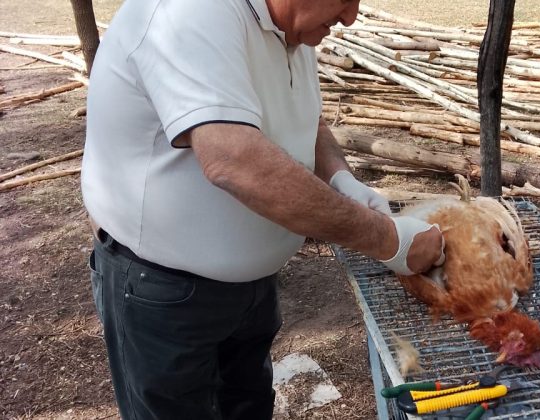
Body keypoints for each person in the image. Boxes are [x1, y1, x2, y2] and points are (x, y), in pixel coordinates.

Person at [80, 0, 445, 419]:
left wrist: (341, 179)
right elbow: (233, 160)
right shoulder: (189, 13)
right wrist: (388, 240)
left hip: (250, 288)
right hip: (162, 292)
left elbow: (310, 120)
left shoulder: (293, 26)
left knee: (247, 406)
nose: (350, 17)